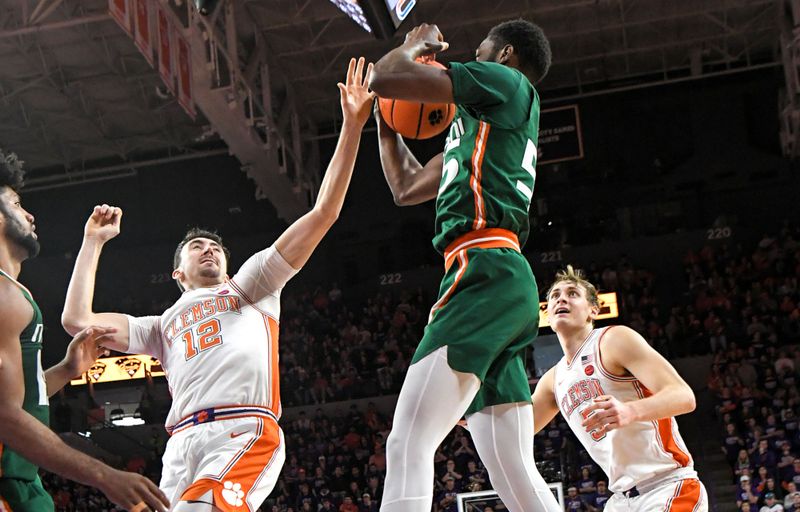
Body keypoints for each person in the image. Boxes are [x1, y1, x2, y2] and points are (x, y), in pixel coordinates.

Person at [61, 58, 376, 512]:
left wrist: (350, 127)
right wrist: (92, 243)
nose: (209, 249)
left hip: (242, 430)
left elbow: (322, 213)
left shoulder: (250, 288)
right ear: (177, 273)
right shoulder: (160, 325)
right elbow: (77, 321)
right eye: (197, 247)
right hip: (180, 443)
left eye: (215, 247)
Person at [368, 20, 559, 512]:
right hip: (500, 276)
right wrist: (386, 123)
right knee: (514, 470)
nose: (472, 56)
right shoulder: (478, 122)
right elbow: (405, 187)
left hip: (484, 268)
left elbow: (385, 75)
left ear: (506, 55)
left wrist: (411, 48)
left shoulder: (510, 82)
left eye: (480, 51)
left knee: (408, 441)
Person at [0, 151, 169, 511]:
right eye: (15, 204)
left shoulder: (14, 294)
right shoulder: (2, 295)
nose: (30, 214)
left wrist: (66, 370)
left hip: (21, 479)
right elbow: (3, 414)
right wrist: (104, 475)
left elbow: (15, 396)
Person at [531, 266, 708, 512]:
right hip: (621, 500)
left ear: (593, 310)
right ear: (548, 314)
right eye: (555, 296)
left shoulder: (613, 340)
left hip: (667, 487)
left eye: (572, 294)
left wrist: (630, 411)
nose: (561, 298)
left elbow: (684, 396)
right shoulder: (552, 380)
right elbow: (518, 429)